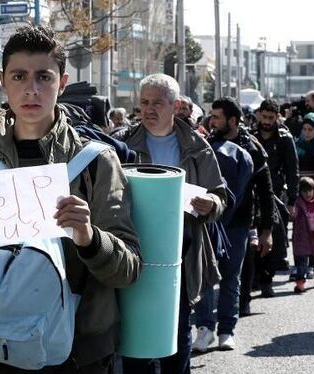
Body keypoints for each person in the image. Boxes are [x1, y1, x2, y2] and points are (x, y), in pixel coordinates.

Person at [0, 25, 141, 373]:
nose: (32, 89)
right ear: (3, 81)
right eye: (20, 76)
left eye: (44, 77)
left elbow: (128, 269)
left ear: (63, 83)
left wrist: (89, 238)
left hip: (77, 352)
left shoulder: (96, 161)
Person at [115, 74, 226, 374]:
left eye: (157, 103)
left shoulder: (197, 146)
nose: (149, 110)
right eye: (144, 103)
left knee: (177, 337)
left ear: (175, 106)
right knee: (136, 343)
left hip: (179, 256)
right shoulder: (122, 145)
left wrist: (212, 205)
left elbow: (220, 193)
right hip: (133, 254)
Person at [193, 97, 274, 352]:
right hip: (207, 224)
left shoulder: (253, 149)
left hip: (238, 226)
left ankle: (227, 330)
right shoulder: (206, 145)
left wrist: (266, 231)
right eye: (211, 116)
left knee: (231, 279)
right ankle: (205, 329)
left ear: (233, 120)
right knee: (205, 278)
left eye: (217, 117)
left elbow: (265, 192)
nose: (212, 121)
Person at [252, 99, 299, 279]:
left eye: (271, 118)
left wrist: (292, 200)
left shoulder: (285, 139)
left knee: (275, 235)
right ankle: (255, 276)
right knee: (254, 236)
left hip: (277, 194)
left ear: (277, 117)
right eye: (264, 117)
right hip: (253, 194)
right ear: (259, 115)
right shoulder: (250, 136)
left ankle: (267, 276)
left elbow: (292, 170)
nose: (267, 121)